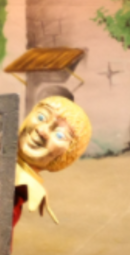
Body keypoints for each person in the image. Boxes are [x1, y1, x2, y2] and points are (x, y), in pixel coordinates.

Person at [12, 96, 91, 227]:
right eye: (41, 117)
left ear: (66, 155)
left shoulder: (13, 196)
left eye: (60, 135)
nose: (42, 131)